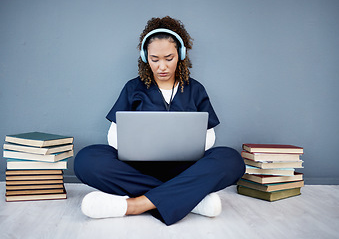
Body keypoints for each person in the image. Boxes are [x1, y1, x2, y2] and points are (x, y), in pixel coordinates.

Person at [74, 16, 245, 226]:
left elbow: (209, 137)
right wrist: (137, 147)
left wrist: (185, 145)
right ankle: (191, 200)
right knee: (86, 159)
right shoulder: (133, 88)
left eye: (169, 58)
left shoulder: (195, 89)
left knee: (231, 159)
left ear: (180, 55)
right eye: (154, 59)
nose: (162, 66)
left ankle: (136, 204)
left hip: (185, 169)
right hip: (137, 170)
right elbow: (113, 136)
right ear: (145, 58)